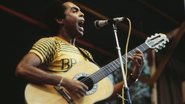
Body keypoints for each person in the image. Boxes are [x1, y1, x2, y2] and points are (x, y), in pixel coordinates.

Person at [15, 1, 144, 104]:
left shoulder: (87, 56)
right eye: (75, 10)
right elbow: (23, 69)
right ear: (60, 20)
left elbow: (103, 96)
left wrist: (132, 77)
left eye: (81, 12)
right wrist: (65, 82)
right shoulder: (51, 43)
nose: (82, 14)